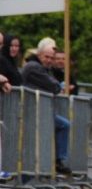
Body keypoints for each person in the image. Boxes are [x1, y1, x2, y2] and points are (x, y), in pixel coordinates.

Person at [21, 40, 71, 175]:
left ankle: (56, 162)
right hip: (33, 111)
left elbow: (54, 84)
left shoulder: (44, 68)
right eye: (46, 57)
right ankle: (57, 162)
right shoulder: (34, 67)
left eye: (51, 58)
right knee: (62, 126)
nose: (49, 60)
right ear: (39, 54)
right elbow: (54, 86)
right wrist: (58, 86)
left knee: (62, 126)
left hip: (42, 111)